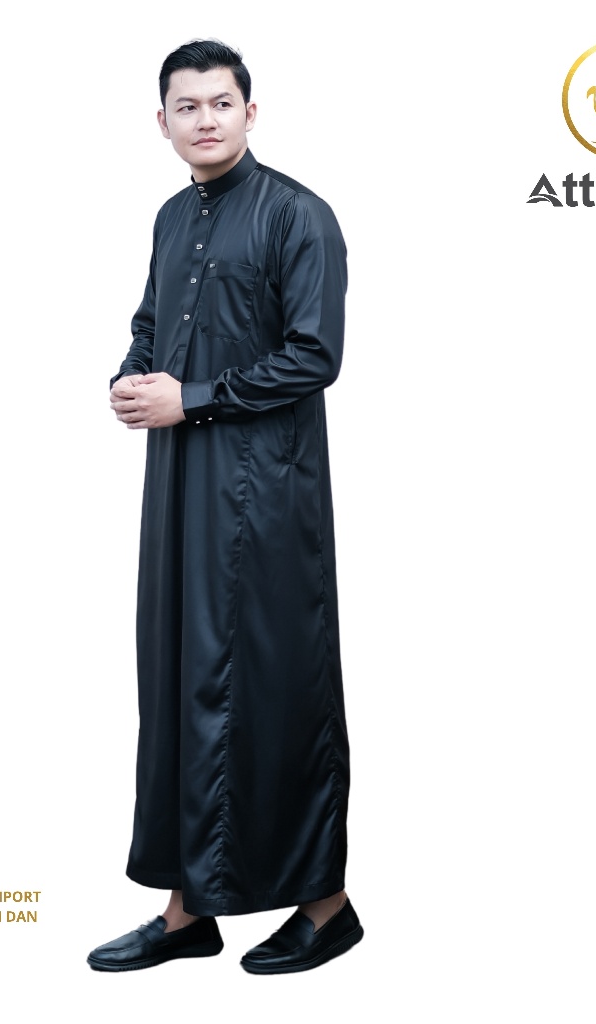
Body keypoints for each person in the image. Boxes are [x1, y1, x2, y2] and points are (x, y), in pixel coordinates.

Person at [89, 39, 361, 975]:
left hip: (267, 495)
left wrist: (193, 398)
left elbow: (315, 355)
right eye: (187, 106)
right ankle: (187, 909)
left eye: (220, 103)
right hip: (179, 485)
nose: (204, 119)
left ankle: (325, 906)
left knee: (275, 687)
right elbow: (151, 322)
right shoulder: (173, 216)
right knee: (179, 679)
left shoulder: (297, 215)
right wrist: (133, 377)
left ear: (251, 112)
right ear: (161, 121)